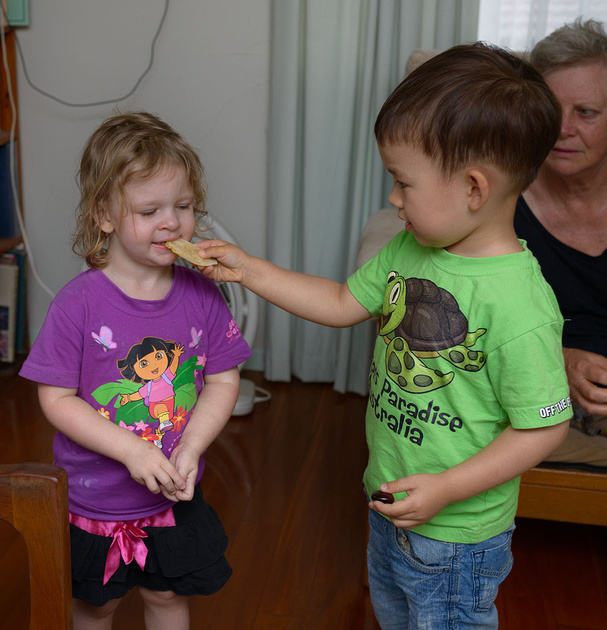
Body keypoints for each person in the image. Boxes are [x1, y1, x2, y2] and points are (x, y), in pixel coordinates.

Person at [195, 43, 572, 629]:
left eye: (403, 183)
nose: (393, 200)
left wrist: (448, 487)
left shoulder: (520, 305)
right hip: (391, 501)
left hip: (457, 536)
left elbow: (544, 425)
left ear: (474, 189)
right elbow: (343, 302)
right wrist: (248, 270)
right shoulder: (412, 247)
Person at [19, 112, 251, 630]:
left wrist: (190, 447)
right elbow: (56, 399)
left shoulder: (203, 296)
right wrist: (131, 449)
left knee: (168, 599)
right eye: (150, 211)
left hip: (174, 496)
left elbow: (222, 380)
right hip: (94, 502)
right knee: (96, 606)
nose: (171, 222)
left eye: (184, 206)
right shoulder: (77, 305)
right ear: (105, 215)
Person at [514, 18, 607, 467]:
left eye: (585, 112)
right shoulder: (499, 198)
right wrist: (562, 358)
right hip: (538, 379)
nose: (563, 129)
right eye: (551, 110)